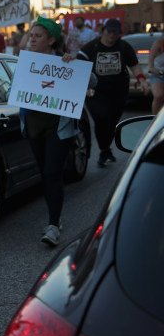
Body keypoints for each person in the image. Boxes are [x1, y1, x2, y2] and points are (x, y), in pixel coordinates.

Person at [18, 18, 81, 247]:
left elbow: (92, 80)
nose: (32, 39)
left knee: (53, 173)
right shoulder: (26, 62)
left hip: (59, 127)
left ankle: (53, 225)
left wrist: (73, 64)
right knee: (46, 175)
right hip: (34, 125)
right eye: (31, 35)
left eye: (37, 36)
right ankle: (55, 218)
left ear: (51, 41)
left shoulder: (65, 61)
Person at [68, 18, 149, 167]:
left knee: (112, 121)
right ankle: (104, 150)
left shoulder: (124, 47)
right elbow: (79, 68)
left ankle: (106, 150)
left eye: (116, 33)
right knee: (102, 117)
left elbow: (135, 66)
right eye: (110, 31)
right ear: (103, 31)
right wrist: (82, 87)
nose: (112, 35)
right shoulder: (91, 48)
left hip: (118, 91)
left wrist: (142, 80)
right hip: (96, 91)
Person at [149, 36, 164, 114]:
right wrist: (152, 68)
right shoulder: (159, 43)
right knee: (158, 95)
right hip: (159, 75)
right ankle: (154, 120)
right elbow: (151, 58)